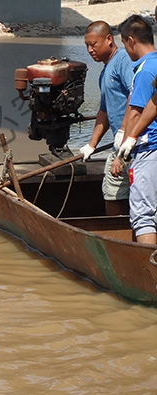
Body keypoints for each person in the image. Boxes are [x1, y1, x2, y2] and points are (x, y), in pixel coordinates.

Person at [111, 14, 157, 244]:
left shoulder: (145, 70)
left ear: (131, 41)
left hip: (150, 150)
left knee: (144, 216)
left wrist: (125, 146)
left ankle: (150, 276)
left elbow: (136, 112)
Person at [79, 20, 133, 216]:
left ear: (109, 39)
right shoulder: (104, 72)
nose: (90, 50)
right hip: (119, 146)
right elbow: (104, 111)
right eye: (87, 46)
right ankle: (117, 233)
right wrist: (91, 145)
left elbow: (134, 98)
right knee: (111, 192)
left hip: (132, 143)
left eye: (93, 44)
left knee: (142, 196)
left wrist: (122, 139)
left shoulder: (123, 61)